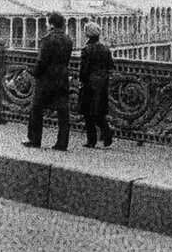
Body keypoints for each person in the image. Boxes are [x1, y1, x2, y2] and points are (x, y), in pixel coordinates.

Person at [23, 12, 73, 151]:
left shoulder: (47, 39)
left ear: (51, 24)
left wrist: (33, 71)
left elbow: (41, 61)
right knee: (63, 111)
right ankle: (62, 143)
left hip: (46, 79)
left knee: (36, 108)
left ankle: (34, 139)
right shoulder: (68, 39)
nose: (46, 24)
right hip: (62, 78)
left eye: (47, 22)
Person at [78, 22, 115, 148]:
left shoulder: (87, 49)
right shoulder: (105, 48)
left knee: (88, 113)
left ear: (88, 34)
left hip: (90, 83)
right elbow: (111, 65)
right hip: (103, 82)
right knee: (99, 112)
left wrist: (81, 80)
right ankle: (107, 136)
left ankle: (91, 140)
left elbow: (84, 69)